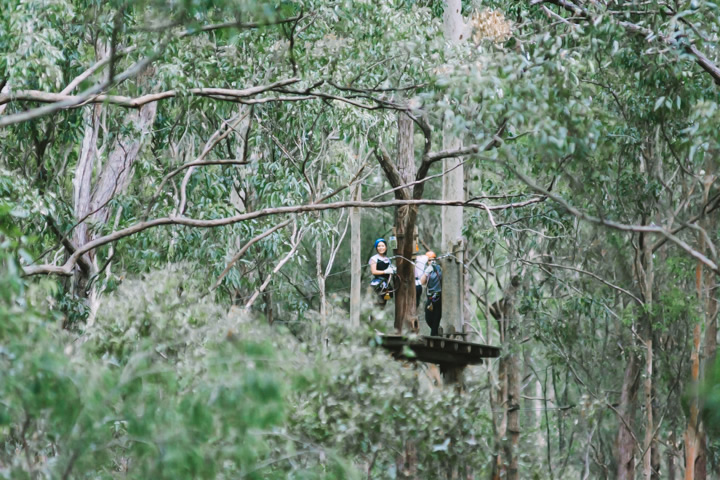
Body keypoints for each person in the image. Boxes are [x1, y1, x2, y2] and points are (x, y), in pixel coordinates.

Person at [421, 250, 442, 336]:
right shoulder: (427, 271)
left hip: (438, 296)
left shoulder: (439, 269)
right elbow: (422, 282)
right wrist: (427, 272)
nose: (432, 262)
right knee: (428, 318)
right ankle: (436, 332)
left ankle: (434, 335)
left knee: (436, 318)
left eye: (433, 259)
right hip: (430, 296)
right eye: (429, 260)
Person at [369, 238, 395, 304]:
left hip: (386, 286)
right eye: (379, 246)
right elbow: (373, 271)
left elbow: (390, 274)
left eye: (382, 246)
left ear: (386, 247)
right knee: (376, 304)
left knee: (383, 304)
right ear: (376, 248)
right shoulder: (374, 258)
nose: (381, 248)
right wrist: (385, 271)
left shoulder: (387, 259)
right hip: (377, 285)